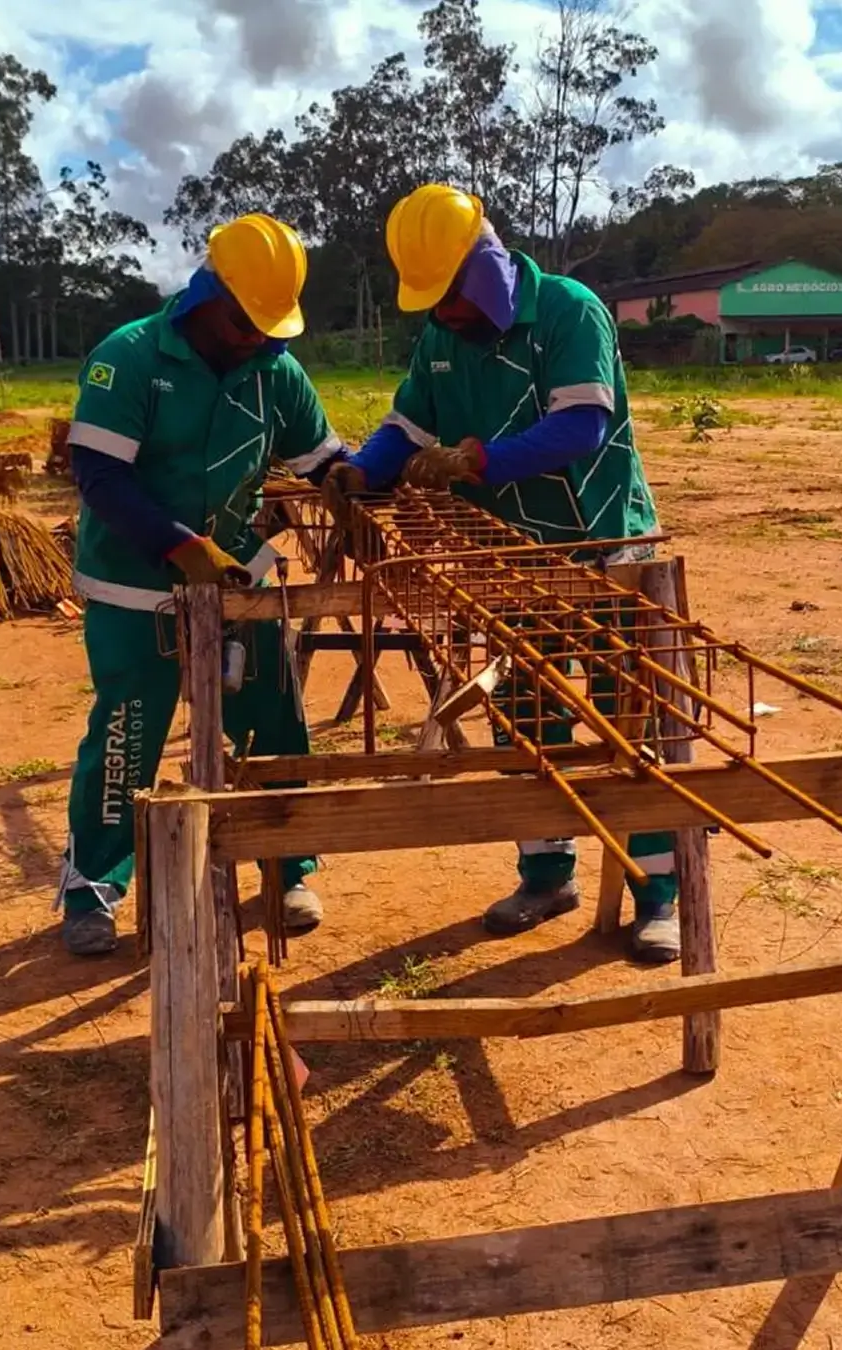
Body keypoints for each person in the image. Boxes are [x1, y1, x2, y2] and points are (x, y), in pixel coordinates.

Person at [322, 184, 680, 963]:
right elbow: (405, 427)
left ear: (482, 273)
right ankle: (546, 872)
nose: (442, 313)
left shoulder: (568, 311)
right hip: (509, 556)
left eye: (449, 296)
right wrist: (362, 473)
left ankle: (659, 892)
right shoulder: (439, 340)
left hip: (605, 546)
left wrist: (476, 462)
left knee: (631, 717)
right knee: (525, 712)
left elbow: (580, 427)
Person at [59, 213, 346, 957]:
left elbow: (323, 460)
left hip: (236, 576)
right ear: (207, 295)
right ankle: (94, 882)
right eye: (246, 323)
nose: (260, 338)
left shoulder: (275, 371)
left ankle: (289, 862)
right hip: (134, 584)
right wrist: (178, 545)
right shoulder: (128, 358)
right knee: (128, 732)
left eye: (270, 328)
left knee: (272, 715)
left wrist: (363, 477)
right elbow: (98, 476)